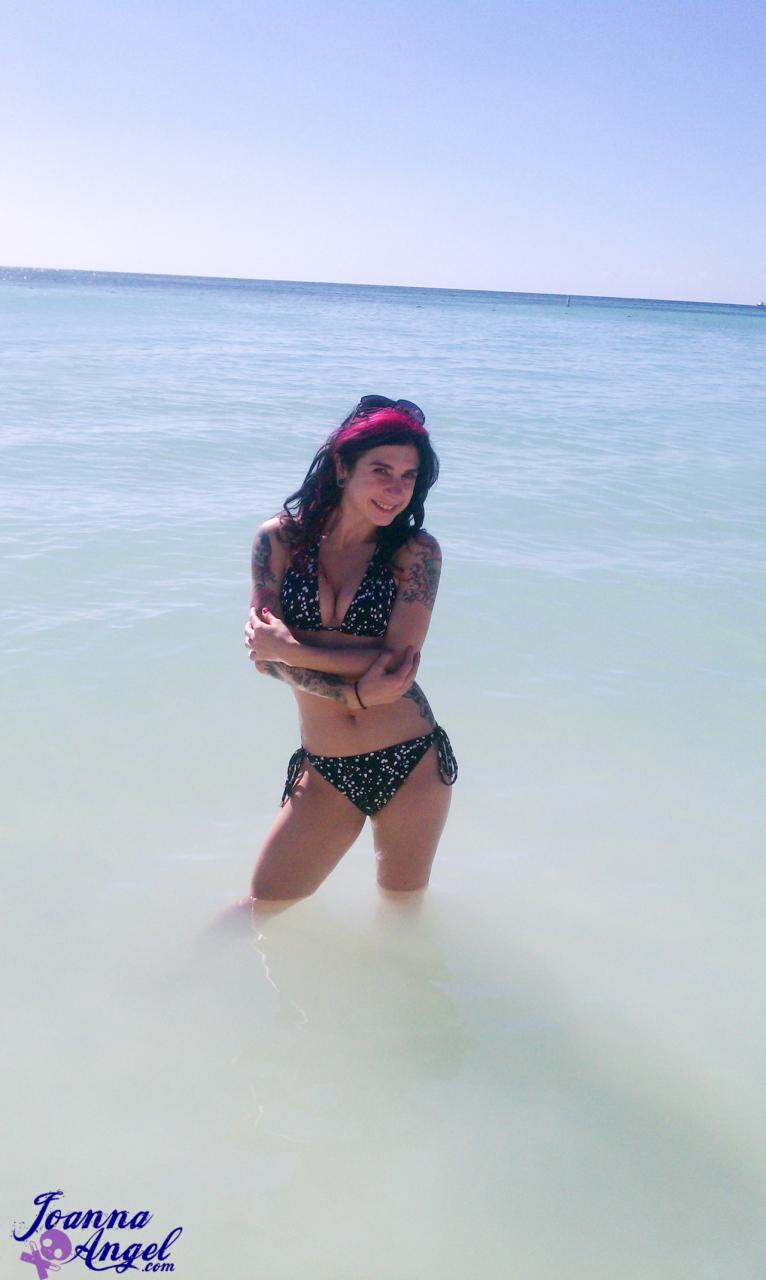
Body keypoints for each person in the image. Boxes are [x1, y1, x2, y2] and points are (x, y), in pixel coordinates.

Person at [243, 395, 458, 905]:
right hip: (324, 769)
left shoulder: (415, 554)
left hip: (412, 761)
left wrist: (293, 648)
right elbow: (263, 657)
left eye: (408, 477)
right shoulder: (279, 542)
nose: (395, 489)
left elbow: (397, 666)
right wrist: (354, 694)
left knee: (402, 911)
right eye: (380, 470)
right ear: (343, 468)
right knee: (262, 905)